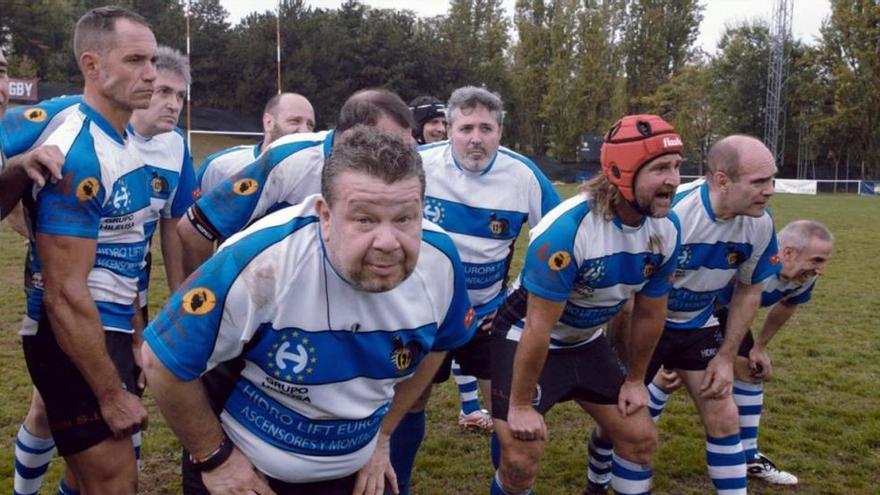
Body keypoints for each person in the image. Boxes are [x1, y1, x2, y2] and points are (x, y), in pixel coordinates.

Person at [142, 125, 475, 495]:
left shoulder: (440, 261)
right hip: (248, 472)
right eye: (364, 219)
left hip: (352, 473)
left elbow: (442, 342)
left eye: (404, 219)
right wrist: (214, 457)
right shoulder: (258, 262)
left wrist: (382, 435)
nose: (387, 242)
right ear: (325, 215)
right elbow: (161, 360)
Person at [11, 44, 196, 495]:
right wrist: (31, 219)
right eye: (163, 89)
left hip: (124, 301)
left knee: (105, 450)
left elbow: (170, 229)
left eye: (180, 95)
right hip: (68, 304)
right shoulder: (76, 129)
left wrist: (163, 315)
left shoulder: (171, 149)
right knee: (77, 432)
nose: (170, 100)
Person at [489, 114, 682, 495]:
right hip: (525, 336)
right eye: (660, 168)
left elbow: (650, 312)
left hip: (586, 340)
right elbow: (537, 328)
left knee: (640, 439)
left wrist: (635, 380)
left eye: (677, 166)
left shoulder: (668, 228)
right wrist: (522, 404)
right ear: (620, 170)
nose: (674, 180)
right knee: (521, 459)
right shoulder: (567, 230)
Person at [391, 86, 560, 493]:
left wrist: (513, 304)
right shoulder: (417, 165)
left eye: (487, 128)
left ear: (500, 131)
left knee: (508, 414)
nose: (476, 138)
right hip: (423, 312)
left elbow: (559, 243)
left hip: (488, 315)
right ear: (448, 129)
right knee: (409, 404)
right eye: (466, 127)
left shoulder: (524, 176)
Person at [18, 6, 157, 494]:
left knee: (86, 483)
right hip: (70, 341)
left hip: (111, 331)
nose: (151, 74)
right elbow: (63, 293)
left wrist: (138, 339)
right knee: (114, 486)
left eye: (153, 60)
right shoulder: (78, 153)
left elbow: (130, 262)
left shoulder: (121, 140)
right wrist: (109, 393)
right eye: (136, 59)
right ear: (92, 66)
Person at [626, 134, 779, 495]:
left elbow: (749, 288)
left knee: (725, 417)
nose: (770, 190)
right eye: (759, 182)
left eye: (772, 179)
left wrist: (727, 357)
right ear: (722, 180)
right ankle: (598, 480)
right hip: (646, 325)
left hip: (698, 324)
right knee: (625, 424)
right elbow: (629, 289)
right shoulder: (673, 213)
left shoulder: (760, 224)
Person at [638, 219, 833, 487]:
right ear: (787, 252)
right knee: (670, 376)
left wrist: (759, 347)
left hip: (729, 315)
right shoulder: (751, 263)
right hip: (690, 311)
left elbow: (787, 306)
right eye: (817, 260)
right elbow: (694, 292)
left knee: (751, 370)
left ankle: (749, 455)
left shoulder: (803, 278)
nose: (821, 270)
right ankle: (635, 437)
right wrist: (678, 351)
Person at [178, 88, 415, 275]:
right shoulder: (290, 159)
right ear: (351, 136)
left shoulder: (404, 168)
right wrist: (205, 304)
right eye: (387, 144)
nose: (396, 156)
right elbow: (194, 228)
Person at [196, 92, 316, 193]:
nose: (305, 131)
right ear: (268, 122)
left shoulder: (317, 179)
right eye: (295, 121)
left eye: (310, 125)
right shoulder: (220, 167)